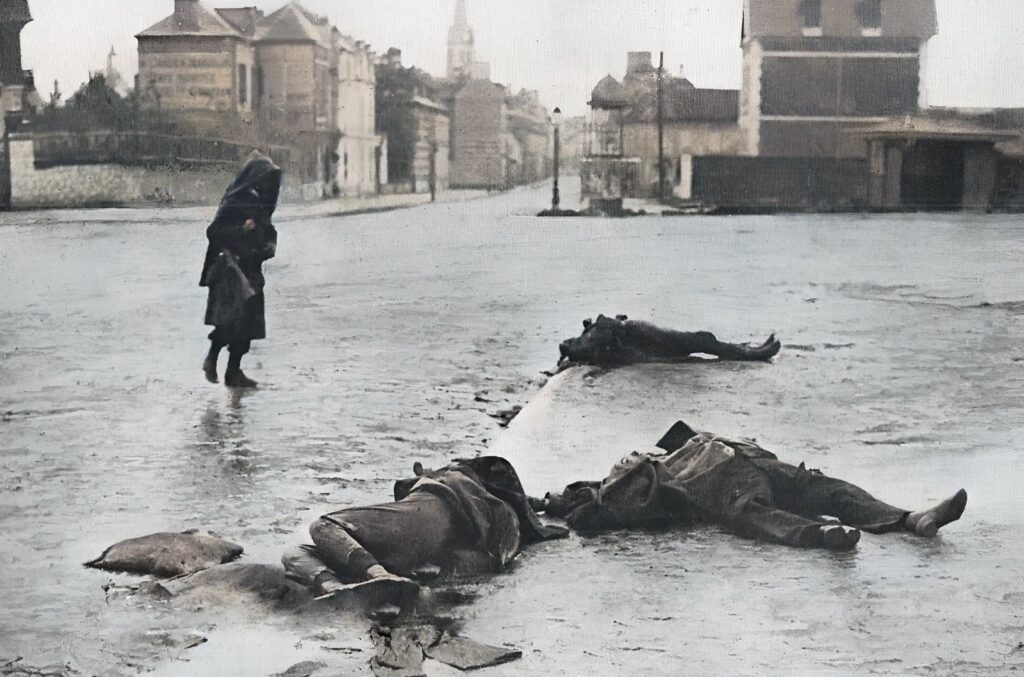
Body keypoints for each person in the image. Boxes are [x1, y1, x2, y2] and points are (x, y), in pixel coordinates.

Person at [543, 421, 968, 551]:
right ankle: (821, 535)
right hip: (726, 483)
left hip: (759, 462)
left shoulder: (690, 443)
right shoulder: (660, 476)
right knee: (751, 515)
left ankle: (913, 518)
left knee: (832, 489)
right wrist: (551, 501)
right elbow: (590, 500)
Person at [282, 457, 566, 603]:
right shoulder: (487, 504)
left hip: (415, 522)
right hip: (412, 543)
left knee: (322, 525)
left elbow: (508, 501)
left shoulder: (458, 480)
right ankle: (335, 586)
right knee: (296, 552)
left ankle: (376, 574)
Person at [199, 151, 282, 388]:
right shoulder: (236, 199)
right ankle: (212, 359)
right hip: (232, 271)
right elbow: (214, 232)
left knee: (247, 326)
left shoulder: (258, 201)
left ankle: (234, 372)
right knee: (229, 322)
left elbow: (266, 231)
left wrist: (268, 244)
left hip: (252, 269)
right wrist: (241, 230)